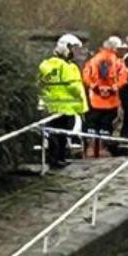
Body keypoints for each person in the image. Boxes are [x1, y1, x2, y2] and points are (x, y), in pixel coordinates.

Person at [38, 39, 88, 168]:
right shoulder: (67, 67)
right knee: (62, 134)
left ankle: (54, 158)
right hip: (67, 105)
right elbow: (73, 86)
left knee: (53, 133)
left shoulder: (46, 65)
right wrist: (81, 100)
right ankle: (59, 158)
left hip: (51, 104)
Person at [81, 36, 128, 157]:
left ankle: (90, 149)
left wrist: (93, 86)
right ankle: (103, 149)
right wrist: (114, 87)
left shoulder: (93, 60)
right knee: (106, 126)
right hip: (111, 101)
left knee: (92, 125)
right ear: (115, 48)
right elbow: (124, 77)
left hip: (95, 99)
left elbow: (86, 75)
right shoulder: (118, 62)